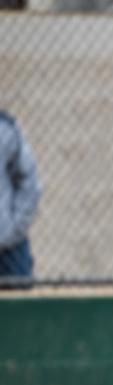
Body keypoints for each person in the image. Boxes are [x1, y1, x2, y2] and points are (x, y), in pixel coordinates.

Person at [0, 111, 41, 280]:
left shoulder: (5, 130)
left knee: (19, 294)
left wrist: (12, 230)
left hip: (8, 248)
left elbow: (29, 183)